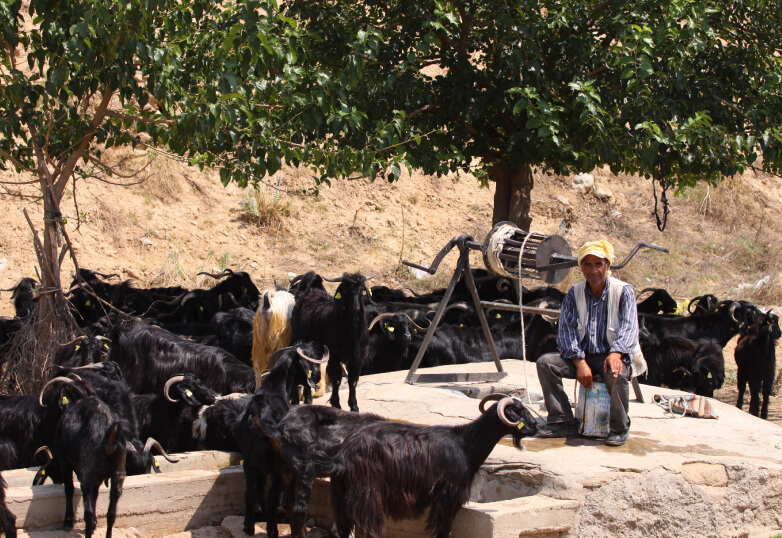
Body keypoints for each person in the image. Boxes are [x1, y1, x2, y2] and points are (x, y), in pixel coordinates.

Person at [535, 240, 646, 446]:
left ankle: (619, 427)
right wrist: (579, 361)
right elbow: (566, 331)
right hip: (584, 355)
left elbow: (630, 328)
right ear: (581, 267)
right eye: (587, 264)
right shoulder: (574, 294)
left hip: (612, 354)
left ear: (608, 266)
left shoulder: (624, 291)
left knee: (617, 372)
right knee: (546, 363)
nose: (593, 270)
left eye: (598, 264)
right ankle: (562, 420)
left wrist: (617, 353)